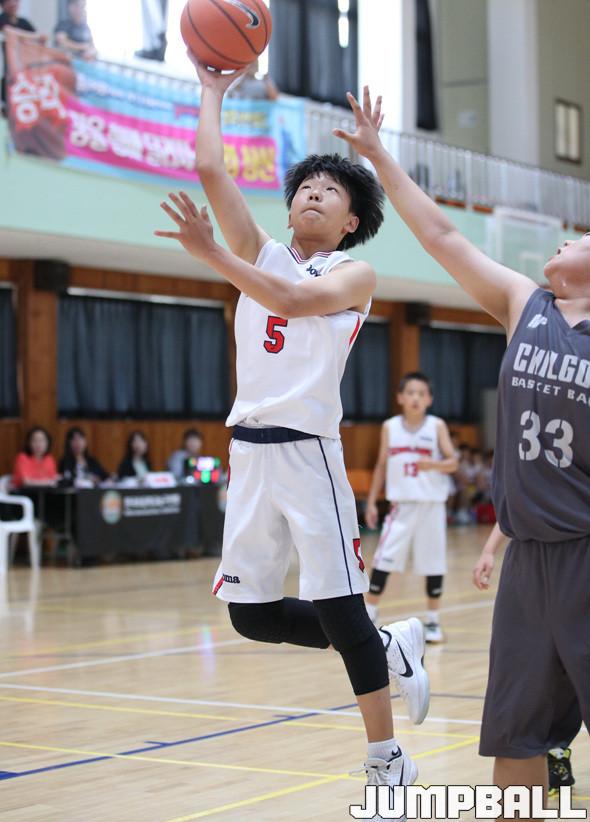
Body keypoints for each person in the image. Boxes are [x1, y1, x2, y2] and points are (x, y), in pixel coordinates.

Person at [155, 61, 430, 811]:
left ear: (350, 220)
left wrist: (213, 255)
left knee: (340, 608)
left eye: (331, 189)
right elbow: (211, 171)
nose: (313, 191)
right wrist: (212, 90)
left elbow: (289, 300)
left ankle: (386, 758)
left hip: (309, 456)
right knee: (250, 617)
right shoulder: (262, 252)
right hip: (248, 453)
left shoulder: (354, 274)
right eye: (306, 184)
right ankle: (390, 645)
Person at [335, 85, 590, 813]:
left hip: (586, 551)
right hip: (528, 560)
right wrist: (379, 156)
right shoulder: (525, 304)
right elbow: (444, 237)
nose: (564, 241)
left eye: (578, 238)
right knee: (516, 733)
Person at [473, 524, 579, 799]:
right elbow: (515, 506)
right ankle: (555, 750)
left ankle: (557, 747)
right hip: (528, 564)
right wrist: (489, 550)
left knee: (568, 678)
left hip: (578, 552)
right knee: (523, 702)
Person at [364, 372, 458, 641]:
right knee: (383, 558)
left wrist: (434, 464)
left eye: (421, 393)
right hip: (401, 505)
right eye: (411, 393)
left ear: (429, 399)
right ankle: (369, 614)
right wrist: (371, 501)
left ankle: (433, 621)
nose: (416, 398)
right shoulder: (390, 427)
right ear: (400, 398)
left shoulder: (436, 426)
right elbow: (381, 465)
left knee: (433, 562)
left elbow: (453, 462)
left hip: (431, 505)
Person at [0, 0, 45, 114]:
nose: (13, 4)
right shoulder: (2, 19)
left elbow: (41, 37)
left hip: (26, 69)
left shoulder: (23, 22)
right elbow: (8, 32)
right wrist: (27, 37)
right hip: (9, 70)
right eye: (9, 1)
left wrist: (21, 37)